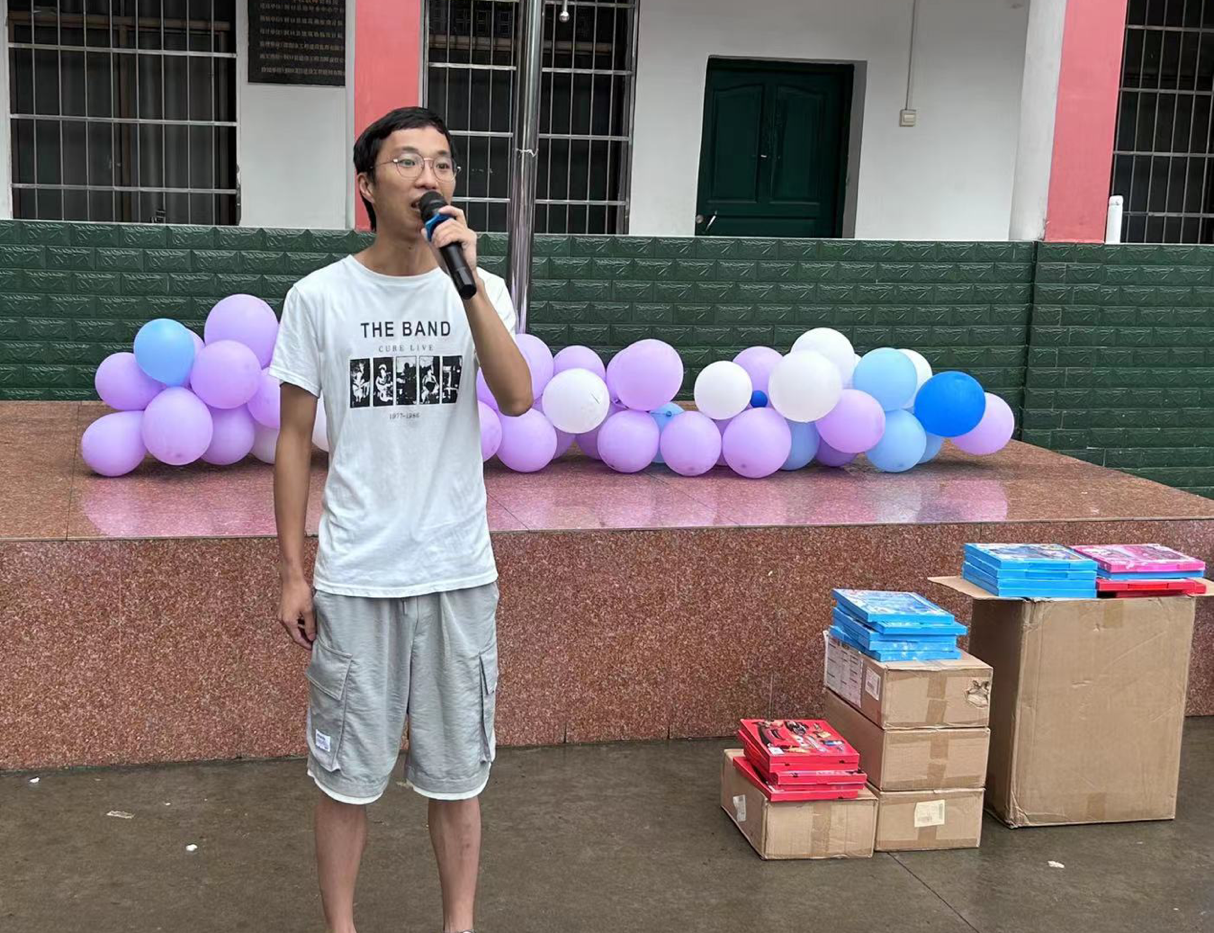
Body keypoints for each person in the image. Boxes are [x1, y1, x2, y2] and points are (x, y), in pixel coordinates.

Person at [270, 106, 532, 933]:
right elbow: (293, 438)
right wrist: (292, 570)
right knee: (345, 776)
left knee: (458, 776)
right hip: (357, 573)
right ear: (367, 184)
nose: (430, 177)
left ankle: (460, 923)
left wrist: (467, 284)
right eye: (408, 161)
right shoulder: (319, 297)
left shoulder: (480, 288)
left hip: (458, 569)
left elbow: (517, 397)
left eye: (443, 163)